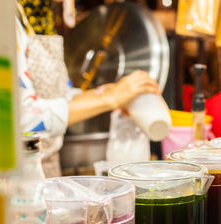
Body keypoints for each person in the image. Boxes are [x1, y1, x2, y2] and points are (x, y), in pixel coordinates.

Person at [17, 1, 160, 176]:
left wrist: (109, 93)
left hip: (41, 168)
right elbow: (24, 118)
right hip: (14, 181)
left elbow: (55, 98)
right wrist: (111, 98)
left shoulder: (22, 17)